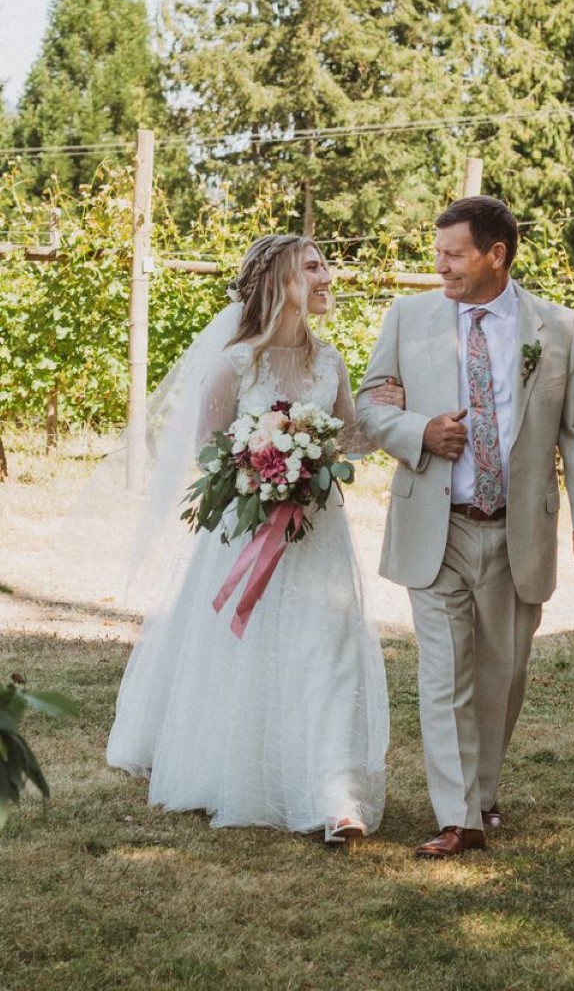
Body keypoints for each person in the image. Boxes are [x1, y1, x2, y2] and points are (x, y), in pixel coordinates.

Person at [107, 234, 393, 844]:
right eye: (312, 267)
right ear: (279, 283)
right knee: (247, 654)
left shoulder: (330, 361)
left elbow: (351, 439)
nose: (326, 275)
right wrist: (261, 466)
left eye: (324, 264)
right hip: (246, 536)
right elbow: (208, 455)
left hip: (318, 534)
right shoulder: (233, 365)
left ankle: (335, 797)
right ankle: (239, 766)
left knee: (330, 652)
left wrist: (376, 415)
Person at [356, 195, 574, 859]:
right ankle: (457, 817)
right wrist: (418, 431)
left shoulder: (557, 328)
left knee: (503, 673)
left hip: (516, 528)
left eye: (452, 254)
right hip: (435, 528)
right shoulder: (408, 318)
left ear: (495, 255)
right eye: (436, 252)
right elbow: (370, 402)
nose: (438, 265)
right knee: (444, 677)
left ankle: (484, 796)